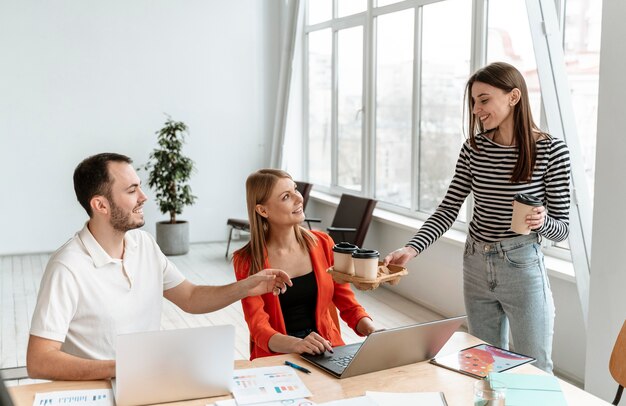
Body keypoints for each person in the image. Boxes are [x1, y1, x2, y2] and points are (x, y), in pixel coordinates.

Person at [26, 153, 292, 381]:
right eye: (131, 190)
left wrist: (245, 287)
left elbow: (190, 297)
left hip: (147, 383)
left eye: (139, 187)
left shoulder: (143, 244)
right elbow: (39, 361)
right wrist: (122, 369)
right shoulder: (67, 266)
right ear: (100, 205)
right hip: (103, 390)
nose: (144, 197)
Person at [384, 62, 570, 373]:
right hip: (475, 263)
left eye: (484, 100)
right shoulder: (474, 149)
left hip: (522, 266)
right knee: (483, 364)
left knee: (534, 368)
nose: (476, 110)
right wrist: (412, 248)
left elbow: (562, 229)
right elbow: (448, 208)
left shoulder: (552, 151)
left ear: (513, 97)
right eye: (473, 102)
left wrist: (541, 222)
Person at [233, 169, 377, 360]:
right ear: (262, 210)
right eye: (286, 196)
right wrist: (297, 344)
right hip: (278, 355)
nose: (298, 199)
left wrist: (372, 330)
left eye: (295, 190)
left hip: (327, 349)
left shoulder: (324, 243)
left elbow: (347, 303)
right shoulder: (247, 260)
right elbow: (258, 326)